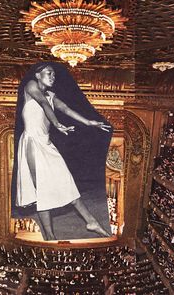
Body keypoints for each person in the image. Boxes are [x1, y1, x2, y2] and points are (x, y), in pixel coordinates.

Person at [12, 62, 113, 240]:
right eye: (48, 73)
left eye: (54, 74)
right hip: (33, 143)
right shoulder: (31, 86)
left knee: (67, 181)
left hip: (47, 143)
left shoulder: (51, 94)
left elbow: (65, 108)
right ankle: (50, 236)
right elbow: (43, 104)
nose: (52, 76)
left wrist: (89, 122)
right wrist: (57, 123)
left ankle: (91, 222)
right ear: (37, 75)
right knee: (41, 189)